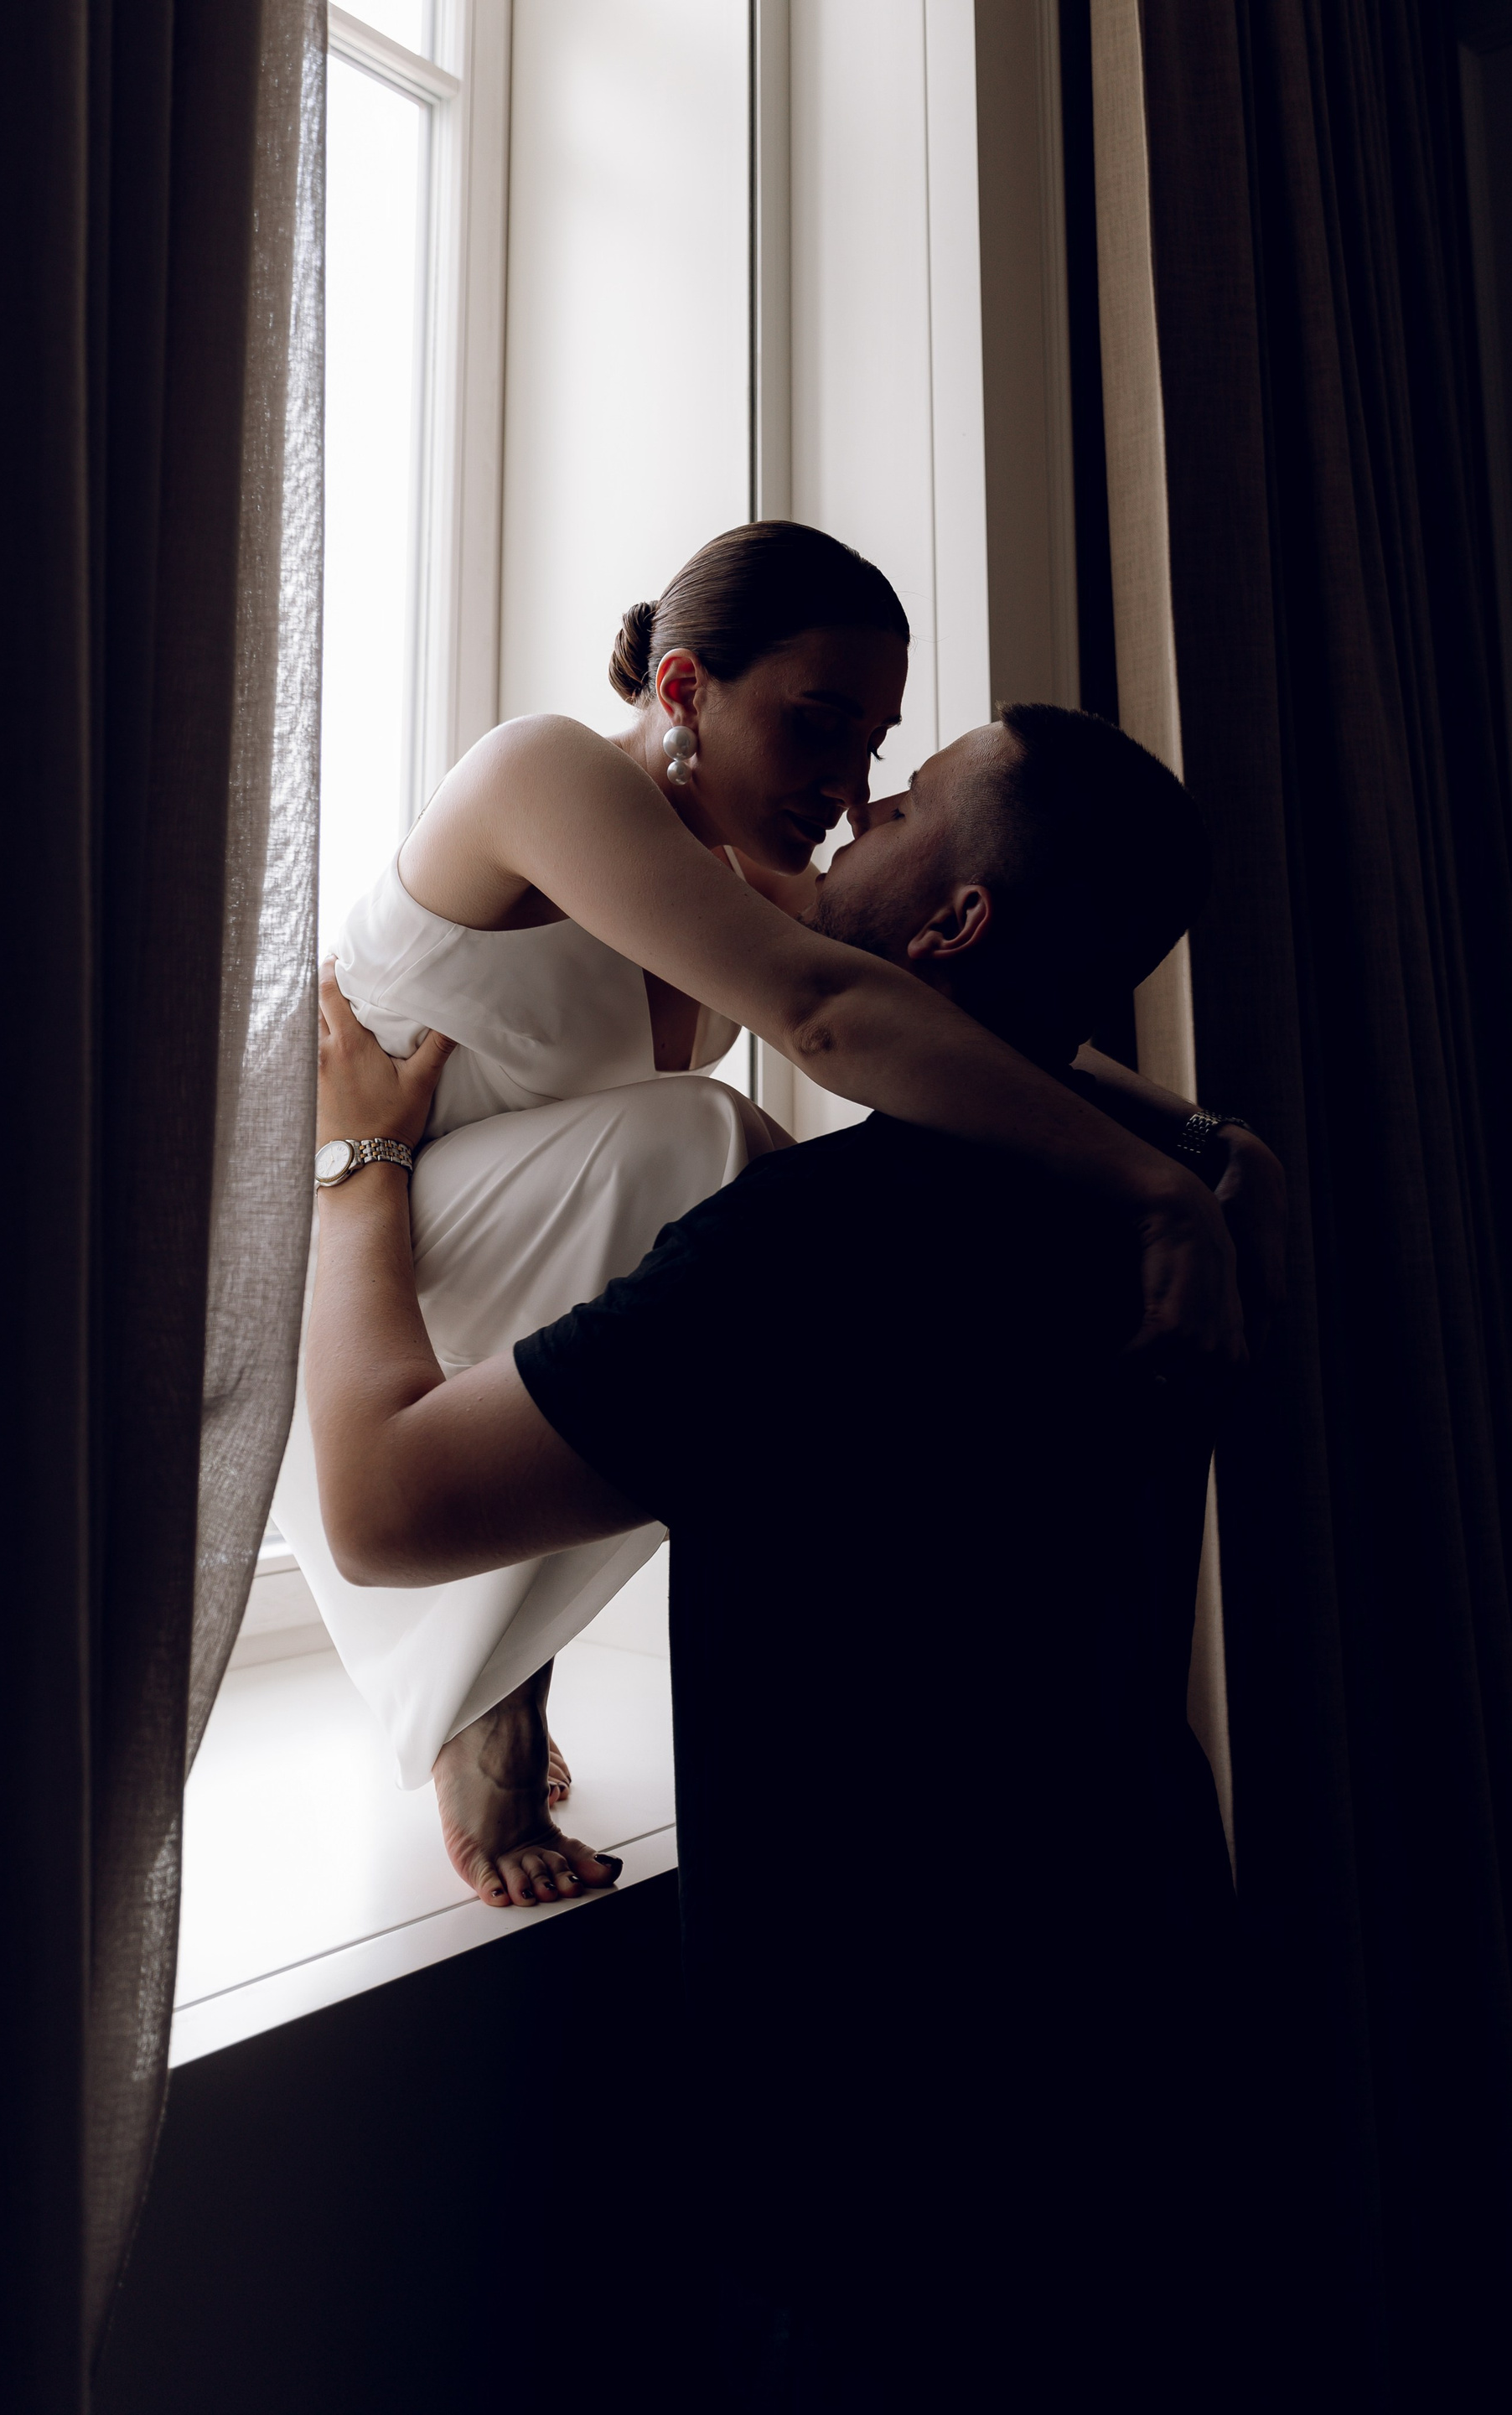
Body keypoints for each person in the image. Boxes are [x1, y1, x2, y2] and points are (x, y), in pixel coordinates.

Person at [305, 704, 1279, 2406]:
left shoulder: (804, 1256)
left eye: (900, 800)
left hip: (893, 2129)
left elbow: (381, 1508)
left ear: (951, 922)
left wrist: (362, 1167)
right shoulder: (1146, 1228)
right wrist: (1191, 1158)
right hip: (1150, 1992)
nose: (854, 810)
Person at [276, 520, 1266, 1882]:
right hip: (342, 1252)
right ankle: (487, 1687)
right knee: (709, 1143)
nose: (852, 792)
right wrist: (1156, 1190)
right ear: (683, 689)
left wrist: (1201, 1134)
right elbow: (824, 1010)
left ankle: (499, 1672)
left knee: (722, 1190)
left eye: (877, 749)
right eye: (819, 727)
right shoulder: (543, 771)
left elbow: (939, 1005)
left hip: (464, 1262)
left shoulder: (744, 886)